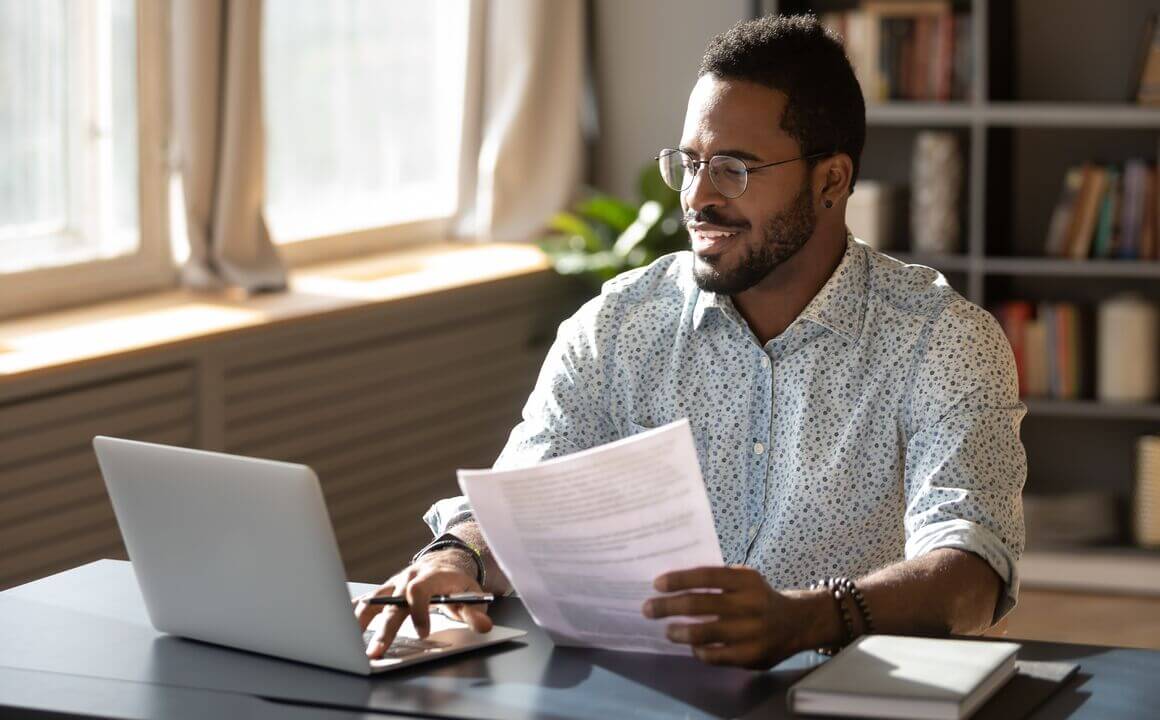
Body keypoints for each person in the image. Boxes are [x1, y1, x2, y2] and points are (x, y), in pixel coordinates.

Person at [355, 14, 1025, 669]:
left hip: (843, 695)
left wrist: (808, 620)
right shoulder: (619, 324)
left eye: (734, 168)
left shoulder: (943, 340)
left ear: (830, 181)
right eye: (691, 162)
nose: (698, 197)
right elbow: (521, 505)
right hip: (646, 694)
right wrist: (456, 556)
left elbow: (974, 568)